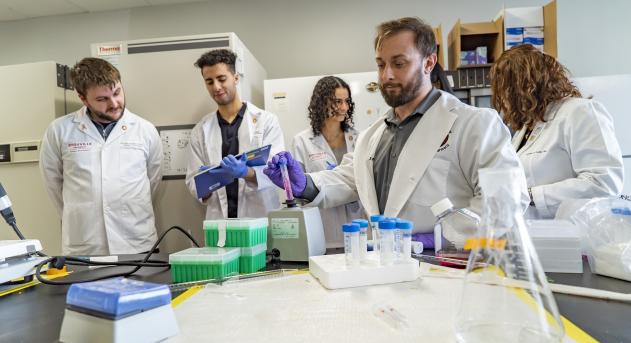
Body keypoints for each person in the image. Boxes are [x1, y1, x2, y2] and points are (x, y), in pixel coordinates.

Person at [264, 17, 528, 248]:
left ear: (429, 63)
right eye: (381, 65)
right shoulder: (372, 135)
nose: (387, 75)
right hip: (386, 267)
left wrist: (438, 239)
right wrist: (305, 184)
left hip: (448, 269)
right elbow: (349, 179)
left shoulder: (474, 124)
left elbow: (506, 201)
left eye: (399, 63)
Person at [40, 57, 162, 255]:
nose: (114, 103)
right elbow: (53, 185)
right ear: (83, 98)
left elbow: (153, 182)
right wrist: (84, 212)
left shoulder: (145, 130)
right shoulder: (59, 131)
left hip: (136, 243)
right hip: (85, 245)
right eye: (102, 99)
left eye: (117, 93)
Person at [491, 44, 624, 219]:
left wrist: (531, 196)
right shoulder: (526, 128)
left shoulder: (579, 112)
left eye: (507, 89)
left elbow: (604, 183)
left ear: (528, 85)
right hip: (541, 235)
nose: (504, 98)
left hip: (576, 236)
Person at [186, 49, 285, 220]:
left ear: (236, 78)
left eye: (221, 79)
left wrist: (245, 172)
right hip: (220, 222)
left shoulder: (266, 121)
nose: (216, 87)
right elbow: (193, 183)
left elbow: (276, 173)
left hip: (259, 219)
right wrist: (207, 182)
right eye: (209, 82)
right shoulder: (200, 131)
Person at [291, 76, 363, 249]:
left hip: (358, 227)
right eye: (337, 102)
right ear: (321, 103)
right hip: (323, 227)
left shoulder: (359, 139)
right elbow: (298, 192)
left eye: (346, 101)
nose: (344, 107)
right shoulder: (302, 141)